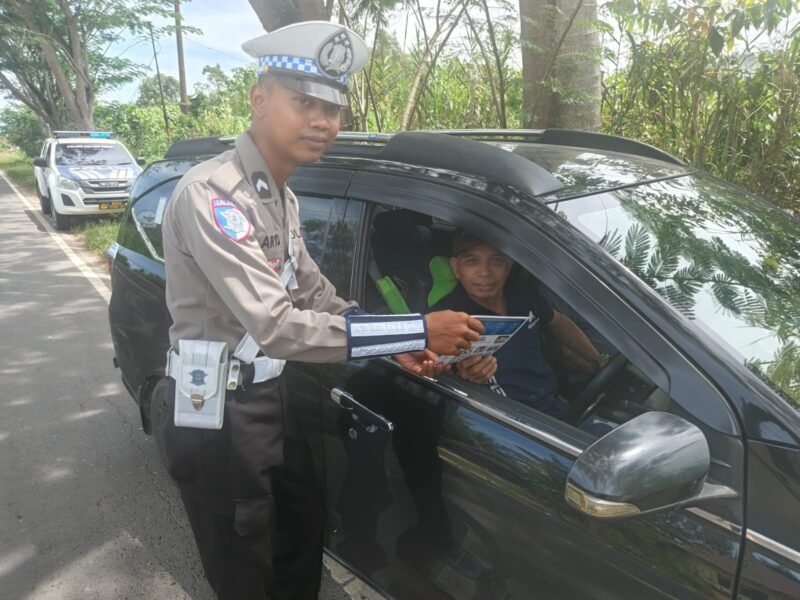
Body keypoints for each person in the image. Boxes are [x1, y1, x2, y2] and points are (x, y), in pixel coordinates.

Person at [152, 21, 483, 600]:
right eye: (304, 101)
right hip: (220, 415)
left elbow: (317, 296)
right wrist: (416, 326)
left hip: (281, 396)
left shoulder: (282, 198)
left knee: (302, 544)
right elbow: (277, 324)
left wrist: (395, 342)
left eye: (333, 108)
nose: (322, 121)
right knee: (246, 571)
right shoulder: (214, 197)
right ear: (259, 99)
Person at [429, 231, 608, 419]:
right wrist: (465, 378)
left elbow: (558, 322)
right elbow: (435, 372)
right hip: (515, 422)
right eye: (472, 261)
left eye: (496, 261)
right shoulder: (447, 318)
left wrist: (598, 361)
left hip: (557, 403)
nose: (485, 272)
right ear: (456, 268)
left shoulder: (523, 294)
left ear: (508, 266)